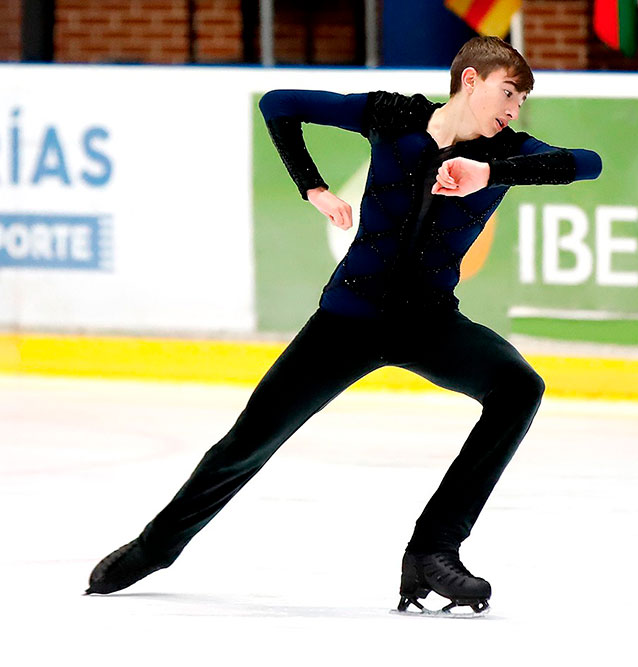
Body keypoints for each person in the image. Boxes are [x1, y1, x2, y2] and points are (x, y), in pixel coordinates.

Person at [86, 36, 602, 614]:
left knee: (518, 387)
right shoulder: (392, 116)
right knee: (247, 442)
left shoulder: (508, 153)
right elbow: (279, 103)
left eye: (522, 100)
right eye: (508, 93)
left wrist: (490, 172)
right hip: (347, 319)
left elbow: (586, 164)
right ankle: (155, 548)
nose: (513, 110)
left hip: (429, 322)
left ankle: (433, 551)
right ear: (471, 81)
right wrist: (311, 185)